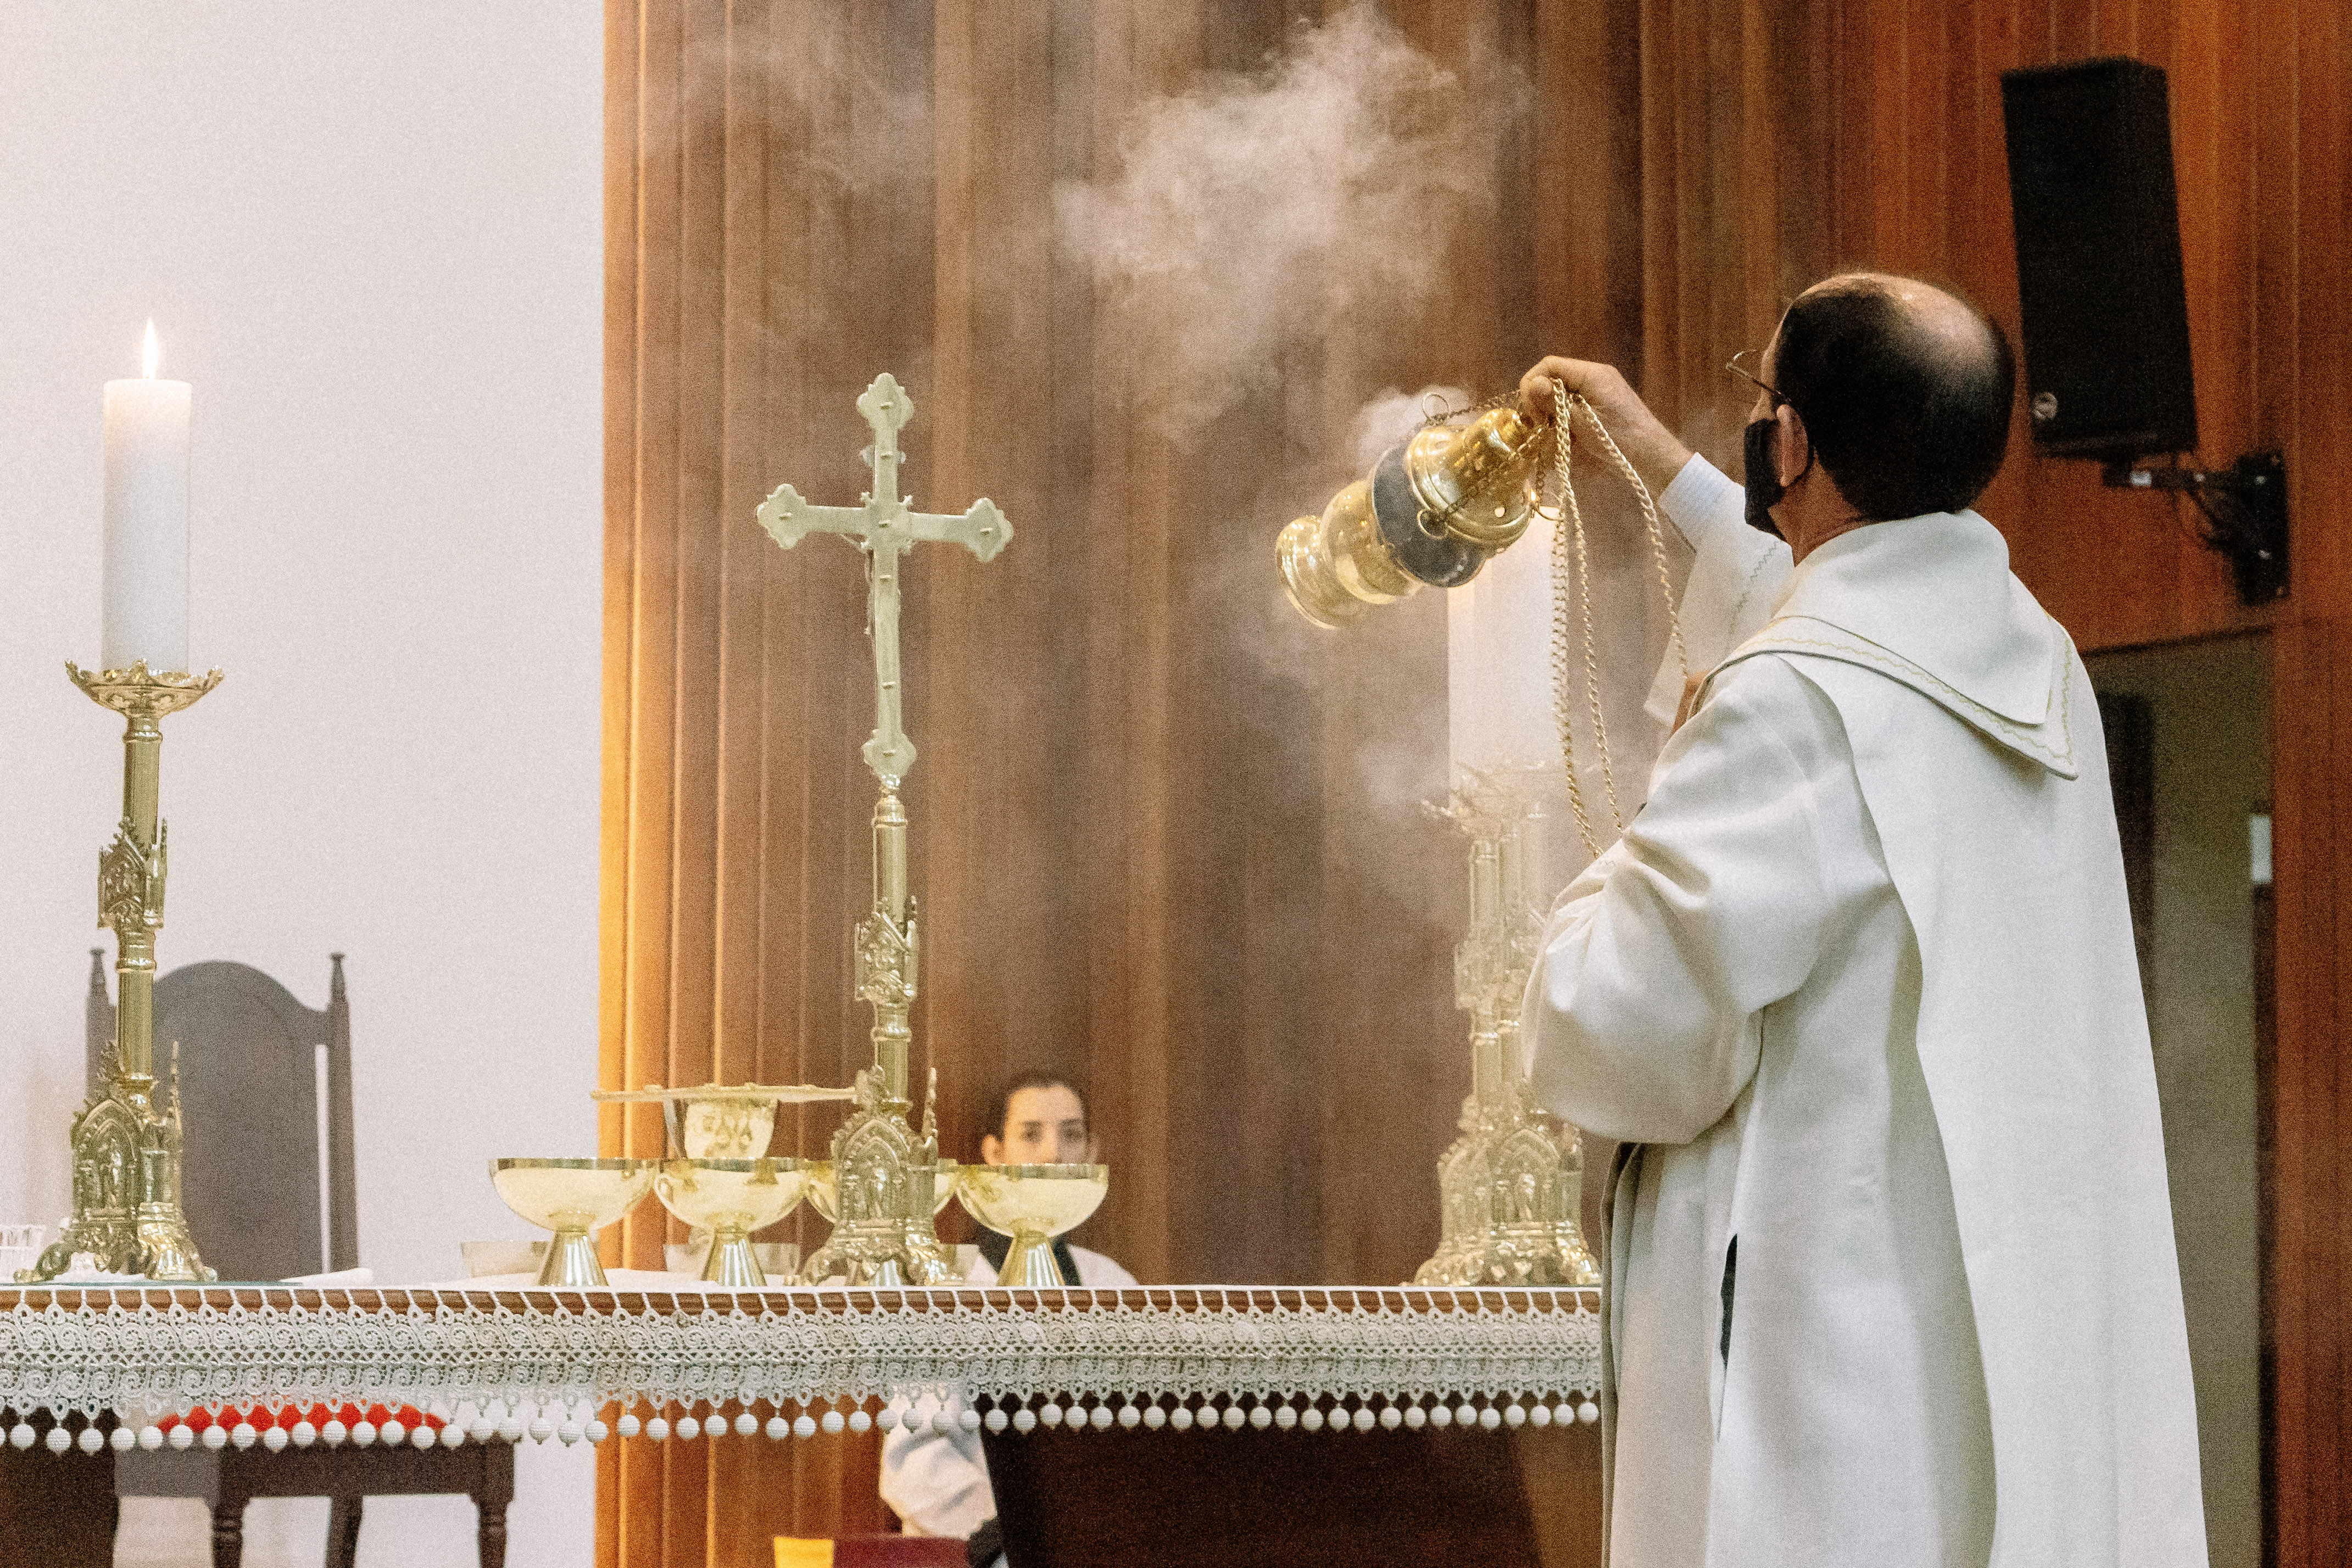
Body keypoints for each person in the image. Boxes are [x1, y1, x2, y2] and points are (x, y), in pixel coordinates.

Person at [1516, 273, 2205, 1567]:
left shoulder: (1790, 697)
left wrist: (1633, 832)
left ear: (1788, 442)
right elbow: (1823, 601)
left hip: (1816, 1361)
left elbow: (1609, 1026)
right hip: (1975, 1338)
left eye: (1760, 396)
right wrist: (1660, 463)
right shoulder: (2031, 659)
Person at [878, 1074, 1137, 1558]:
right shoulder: (950, 1291)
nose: (1054, 1154)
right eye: (1031, 1134)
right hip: (983, 1552)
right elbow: (915, 1463)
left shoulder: (1112, 1284)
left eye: (1072, 1134)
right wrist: (1025, 1534)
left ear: (1091, 1152)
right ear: (995, 1154)